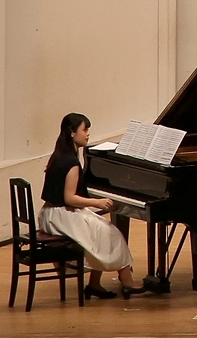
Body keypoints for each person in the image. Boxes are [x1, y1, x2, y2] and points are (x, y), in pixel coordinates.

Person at [38, 113, 147, 300]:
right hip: (61, 215)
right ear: (72, 133)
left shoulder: (60, 155)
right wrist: (97, 202)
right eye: (85, 130)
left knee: (104, 231)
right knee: (110, 233)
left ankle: (95, 284)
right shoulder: (71, 162)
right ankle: (126, 278)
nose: (88, 134)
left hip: (51, 213)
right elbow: (70, 198)